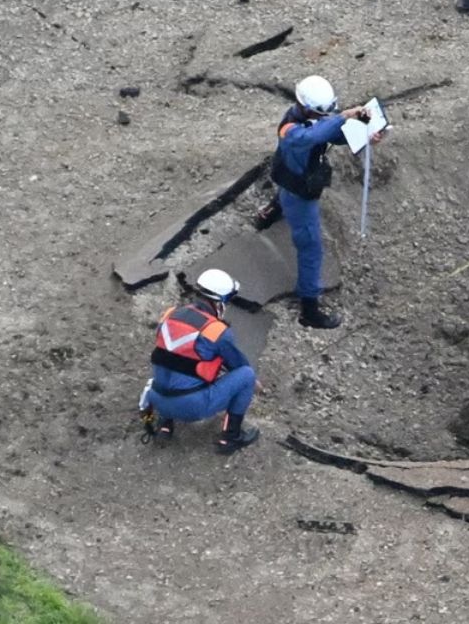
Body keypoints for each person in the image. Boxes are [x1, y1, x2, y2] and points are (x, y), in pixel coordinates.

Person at [272, 76, 376, 329]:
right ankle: (309, 309)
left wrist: (364, 133)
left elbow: (330, 134)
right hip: (299, 194)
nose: (326, 115)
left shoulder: (307, 117)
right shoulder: (292, 132)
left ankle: (271, 210)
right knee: (311, 249)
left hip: (291, 179)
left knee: (283, 196)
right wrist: (342, 118)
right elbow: (314, 136)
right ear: (306, 107)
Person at [145, 269, 260, 453]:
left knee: (168, 364)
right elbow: (239, 366)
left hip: (156, 398)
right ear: (219, 302)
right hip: (192, 407)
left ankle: (164, 425)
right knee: (247, 376)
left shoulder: (169, 315)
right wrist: (255, 383)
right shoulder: (216, 332)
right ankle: (230, 439)